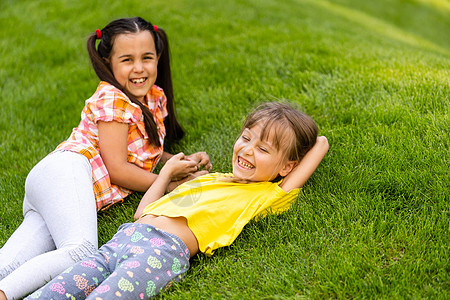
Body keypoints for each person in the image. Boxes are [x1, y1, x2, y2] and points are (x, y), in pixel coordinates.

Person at [25, 102, 329, 299]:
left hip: (161, 253)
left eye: (264, 149)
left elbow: (320, 144)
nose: (247, 150)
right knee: (52, 293)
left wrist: (293, 136)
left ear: (286, 167)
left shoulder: (267, 194)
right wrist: (167, 171)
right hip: (121, 241)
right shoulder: (210, 179)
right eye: (246, 138)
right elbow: (141, 213)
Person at [0, 17, 211, 300]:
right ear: (107, 61)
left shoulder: (150, 96)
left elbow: (143, 151)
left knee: (13, 258)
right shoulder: (114, 98)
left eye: (147, 58)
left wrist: (179, 163)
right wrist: (169, 183)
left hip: (56, 182)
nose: (139, 68)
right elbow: (118, 169)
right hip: (68, 171)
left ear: (158, 58)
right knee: (81, 250)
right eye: (127, 60)